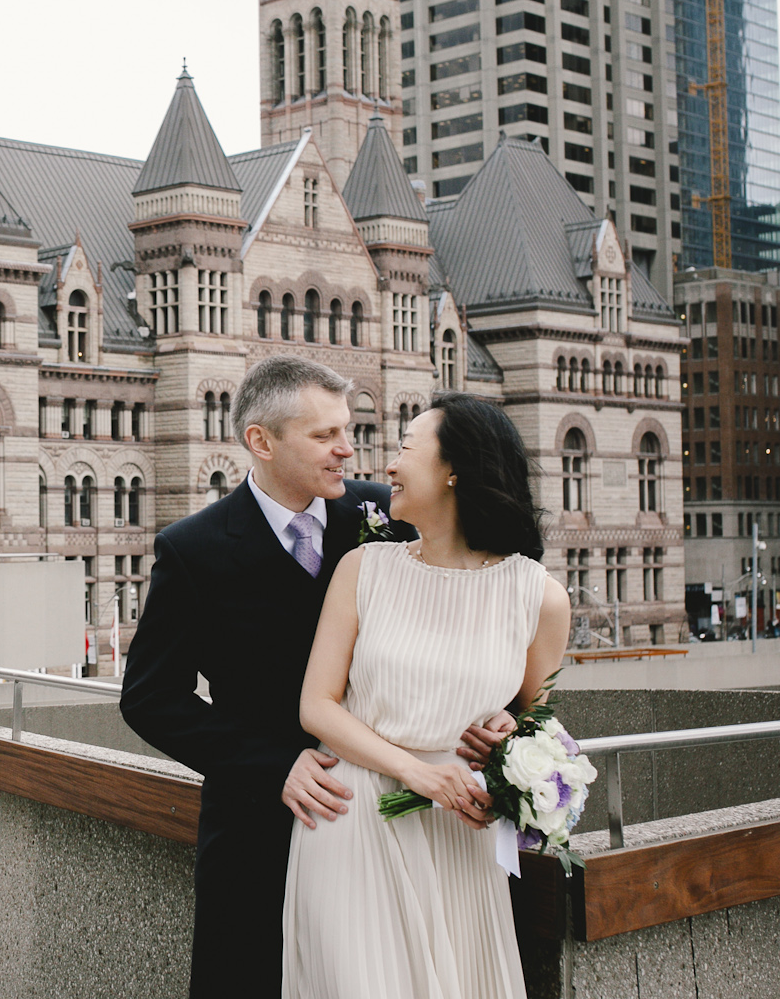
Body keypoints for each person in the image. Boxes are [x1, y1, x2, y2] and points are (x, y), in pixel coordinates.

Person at [120, 356, 393, 999]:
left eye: (347, 431)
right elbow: (149, 697)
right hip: (255, 826)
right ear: (261, 441)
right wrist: (274, 764)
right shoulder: (193, 549)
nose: (346, 450)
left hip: (379, 812)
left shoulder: (383, 515)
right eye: (324, 436)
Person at [281, 393, 569, 999]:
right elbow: (318, 706)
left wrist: (509, 737)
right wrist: (418, 774)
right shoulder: (364, 568)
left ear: (454, 469)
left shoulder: (538, 595)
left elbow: (533, 714)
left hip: (459, 836)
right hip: (351, 817)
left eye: (406, 448)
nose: (388, 465)